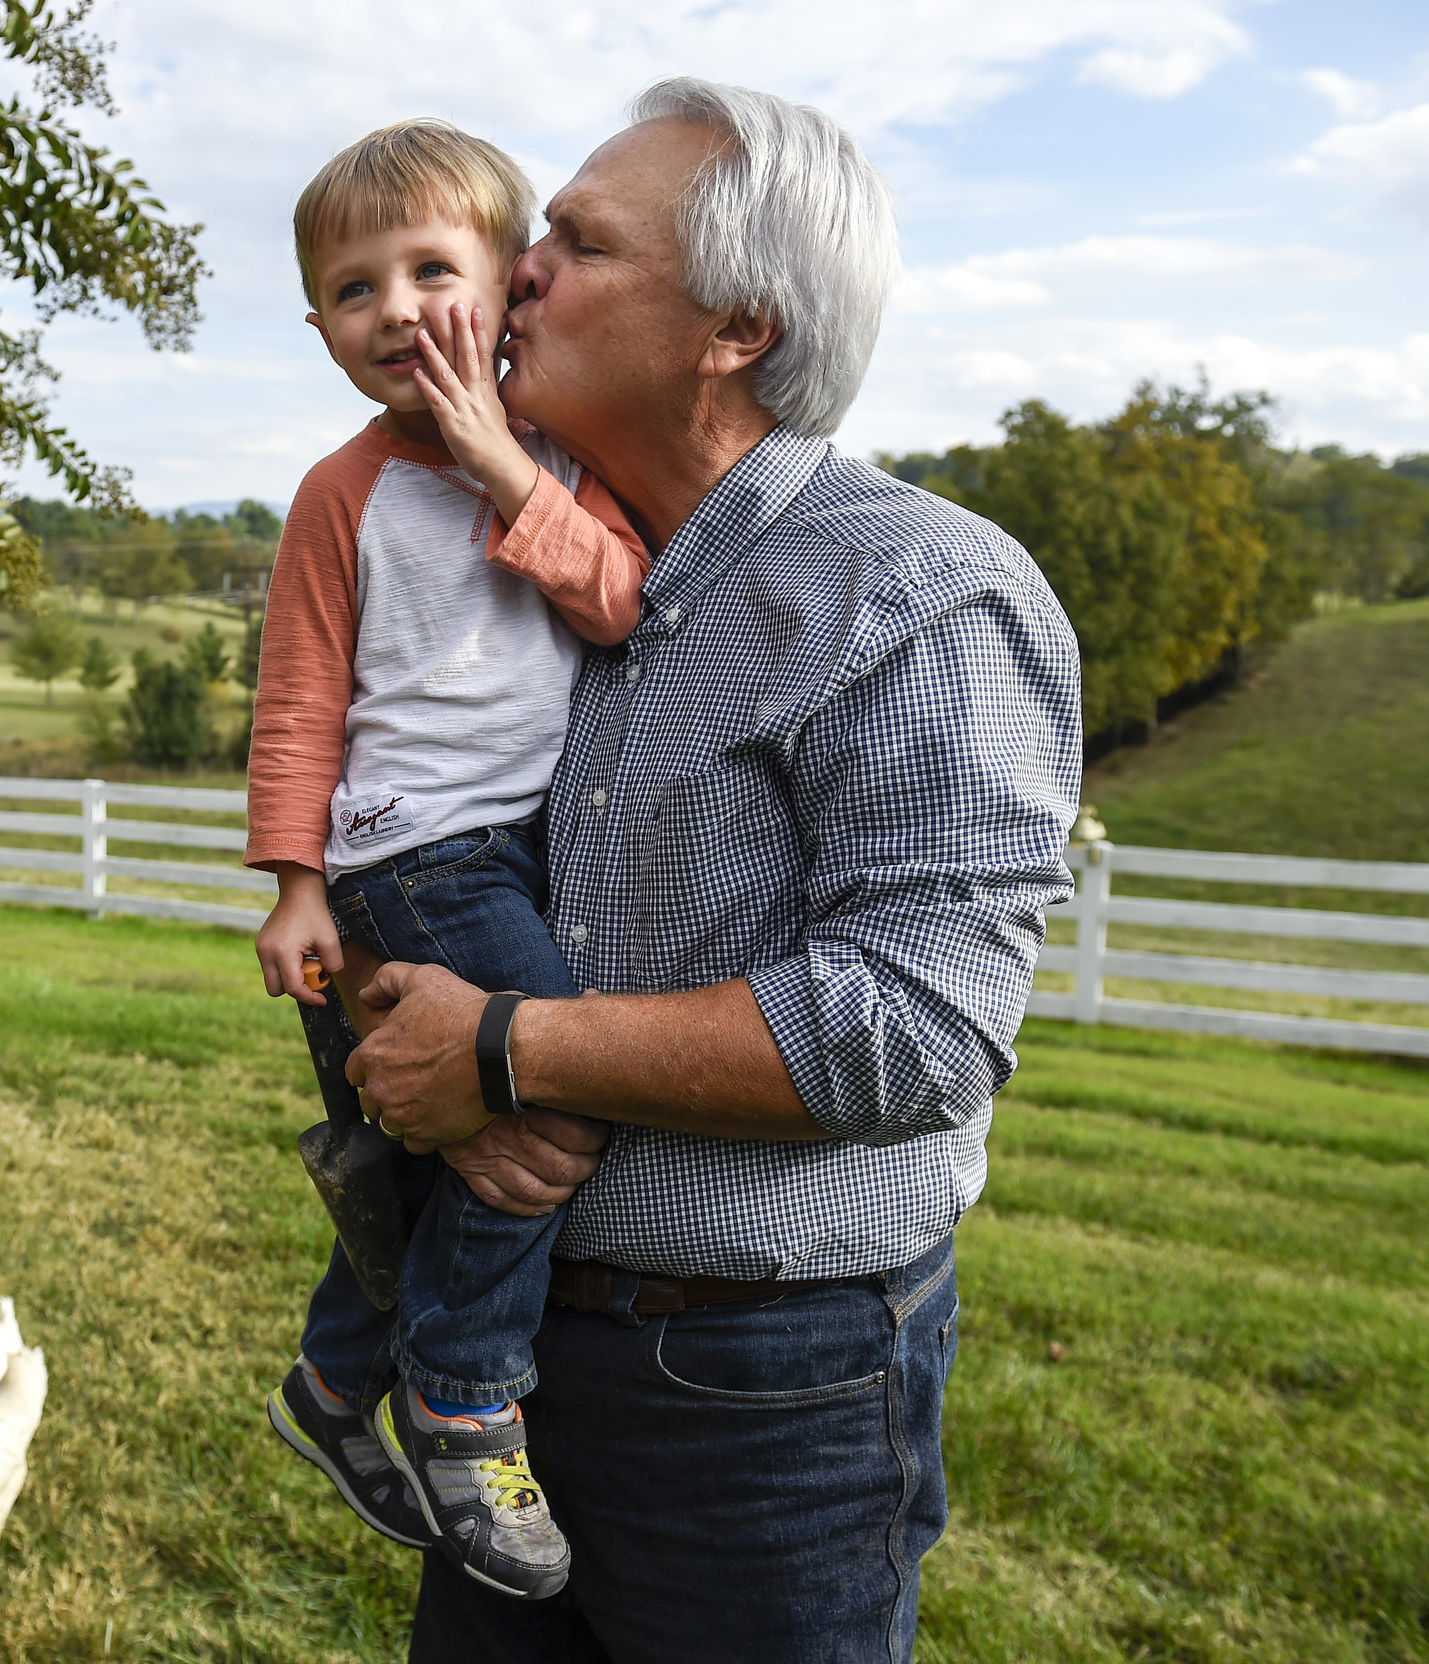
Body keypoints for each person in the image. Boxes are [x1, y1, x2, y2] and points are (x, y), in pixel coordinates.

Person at [336, 80, 1084, 1661]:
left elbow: (922, 1026)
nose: (515, 265)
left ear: (736, 325)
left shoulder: (919, 592)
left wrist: (503, 1049)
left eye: (578, 240)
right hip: (515, 1362)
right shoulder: (544, 575)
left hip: (768, 1393)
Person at [245, 119, 651, 1602]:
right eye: (356, 291)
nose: (397, 309)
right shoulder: (337, 496)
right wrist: (294, 884)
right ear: (320, 331)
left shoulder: (559, 462)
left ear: (508, 286)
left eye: (431, 269)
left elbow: (618, 601)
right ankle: (468, 1400)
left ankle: (336, 1380)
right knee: (559, 1086)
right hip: (412, 862)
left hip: (504, 857)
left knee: (431, 1166)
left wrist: (493, 457)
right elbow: (300, 698)